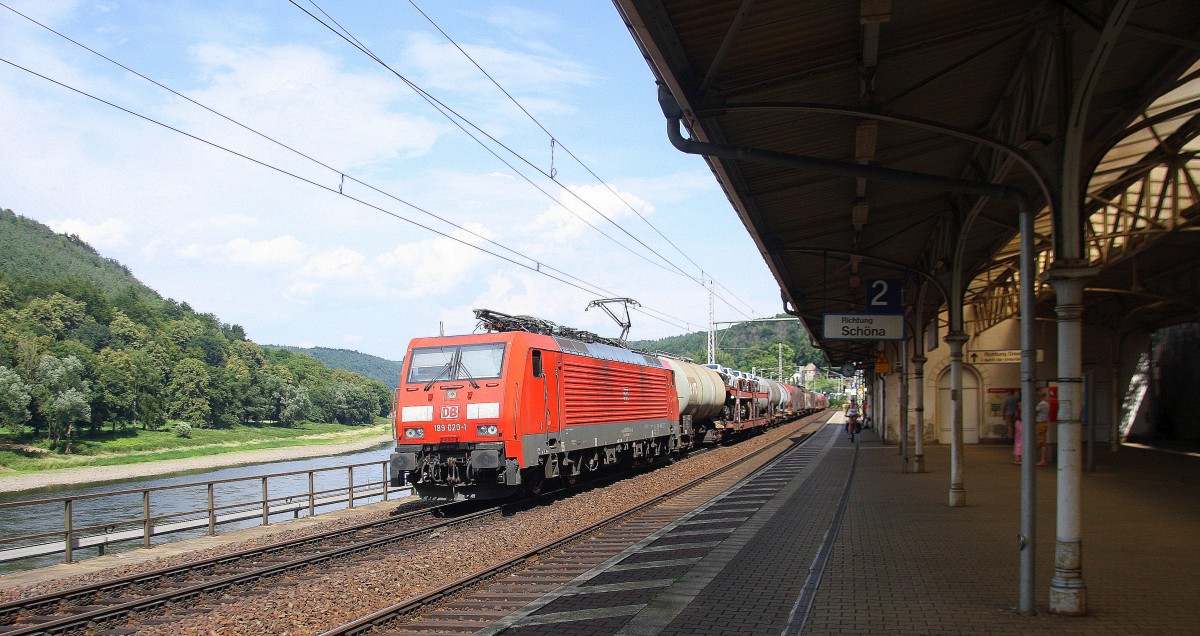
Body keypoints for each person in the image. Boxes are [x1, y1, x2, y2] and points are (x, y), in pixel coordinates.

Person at [1035, 388, 1050, 466]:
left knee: (1041, 442)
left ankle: (1043, 460)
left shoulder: (1041, 404)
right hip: (1045, 423)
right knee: (1042, 441)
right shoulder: (1047, 404)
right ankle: (1042, 459)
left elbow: (1035, 411)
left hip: (1041, 423)